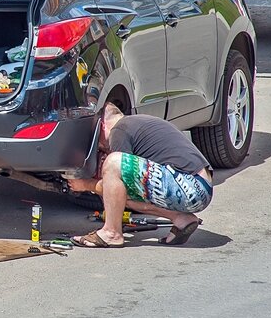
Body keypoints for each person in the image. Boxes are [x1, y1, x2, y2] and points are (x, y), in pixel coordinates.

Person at [68, 103, 214, 248]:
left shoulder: (119, 129)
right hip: (200, 188)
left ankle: (111, 233)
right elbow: (121, 192)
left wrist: (85, 185)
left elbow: (116, 178)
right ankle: (181, 219)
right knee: (120, 195)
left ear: (101, 126)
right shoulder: (136, 123)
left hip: (190, 185)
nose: (98, 146)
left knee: (113, 162)